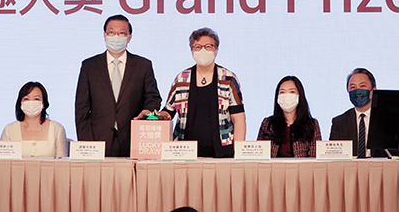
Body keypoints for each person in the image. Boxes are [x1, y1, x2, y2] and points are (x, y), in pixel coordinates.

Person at [75, 14, 162, 157]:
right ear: (104, 35)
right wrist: (86, 142)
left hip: (133, 139)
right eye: (111, 32)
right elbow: (81, 108)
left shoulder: (143, 65)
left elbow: (153, 97)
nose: (116, 36)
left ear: (129, 37)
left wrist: (147, 111)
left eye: (121, 33)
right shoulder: (89, 66)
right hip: (97, 140)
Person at [158, 27, 246, 158]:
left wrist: (238, 151)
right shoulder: (181, 79)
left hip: (222, 151)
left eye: (208, 46)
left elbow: (238, 119)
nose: (203, 50)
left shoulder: (228, 79)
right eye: (197, 47)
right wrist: (154, 116)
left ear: (216, 50)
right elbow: (168, 112)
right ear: (192, 51)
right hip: (184, 152)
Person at [257, 76, 321, 157]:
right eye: (282, 92)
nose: (287, 96)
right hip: (273, 165)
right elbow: (258, 154)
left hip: (301, 165)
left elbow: (314, 157)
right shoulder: (267, 124)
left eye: (292, 92)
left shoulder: (312, 125)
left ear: (299, 95)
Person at [1, 81, 67, 158]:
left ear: (43, 104)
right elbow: (2, 161)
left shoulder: (57, 128)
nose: (31, 102)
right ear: (20, 104)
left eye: (36, 99)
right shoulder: (9, 129)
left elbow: (62, 161)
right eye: (26, 99)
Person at [329, 67, 384, 158]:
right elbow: (333, 155)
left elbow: (397, 154)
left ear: (373, 90)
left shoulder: (387, 119)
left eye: (362, 86)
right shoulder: (339, 122)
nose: (357, 91)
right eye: (353, 87)